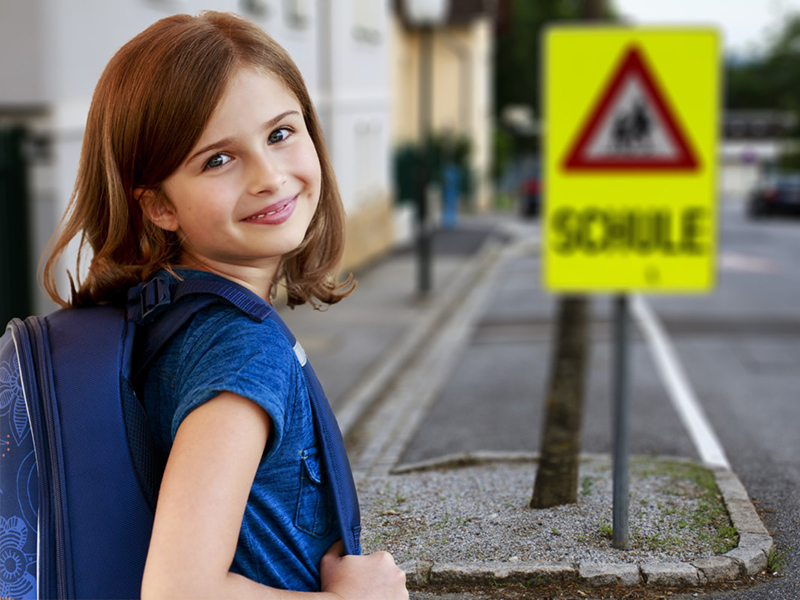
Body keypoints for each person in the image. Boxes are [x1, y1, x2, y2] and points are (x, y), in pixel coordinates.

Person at [42, 11, 407, 600]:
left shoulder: (161, 316)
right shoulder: (240, 352)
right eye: (218, 159)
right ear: (160, 206)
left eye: (281, 134)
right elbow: (179, 589)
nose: (268, 176)